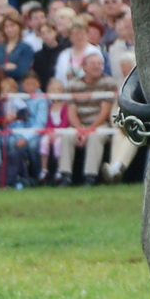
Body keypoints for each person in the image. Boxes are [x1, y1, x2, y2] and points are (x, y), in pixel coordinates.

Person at [67, 51, 116, 184]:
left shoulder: (109, 83)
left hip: (100, 124)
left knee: (95, 136)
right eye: (93, 64)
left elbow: (104, 112)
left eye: (100, 64)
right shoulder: (73, 84)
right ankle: (65, 175)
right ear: (84, 67)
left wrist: (88, 130)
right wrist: (80, 129)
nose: (97, 66)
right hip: (80, 124)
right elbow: (71, 111)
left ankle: (90, 176)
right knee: (66, 135)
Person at [38, 77, 74, 185]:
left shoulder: (65, 106)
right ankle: (44, 169)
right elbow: (48, 122)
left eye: (59, 89)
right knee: (43, 142)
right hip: (51, 132)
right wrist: (49, 133)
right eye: (53, 90)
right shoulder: (49, 107)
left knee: (59, 144)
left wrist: (57, 133)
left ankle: (59, 169)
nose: (56, 92)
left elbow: (65, 122)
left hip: (61, 133)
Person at [52, 19, 105, 88]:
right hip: (68, 91)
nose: (79, 37)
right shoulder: (64, 55)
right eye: (76, 34)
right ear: (70, 37)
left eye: (82, 33)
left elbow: (99, 73)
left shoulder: (94, 52)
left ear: (87, 34)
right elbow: (58, 77)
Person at [0, 17, 35, 82]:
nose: (9, 29)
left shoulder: (26, 48)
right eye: (6, 27)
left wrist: (0, 68)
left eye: (12, 25)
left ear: (19, 27)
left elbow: (22, 71)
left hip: (17, 83)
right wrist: (4, 67)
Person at [30, 20, 61, 89]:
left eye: (49, 32)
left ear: (55, 32)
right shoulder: (37, 56)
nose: (46, 35)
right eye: (43, 33)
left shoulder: (63, 53)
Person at [107, 13, 136, 78]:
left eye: (130, 22)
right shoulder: (114, 48)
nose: (127, 25)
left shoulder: (145, 46)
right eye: (125, 22)